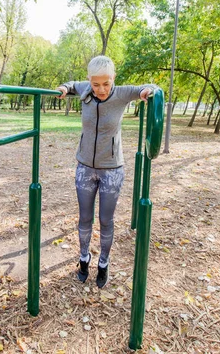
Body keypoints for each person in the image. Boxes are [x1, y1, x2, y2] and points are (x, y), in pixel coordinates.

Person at [56, 55, 154, 288]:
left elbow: (151, 88)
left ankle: (103, 263)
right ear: (89, 80)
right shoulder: (84, 88)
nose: (101, 89)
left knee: (105, 219)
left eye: (106, 83)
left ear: (113, 79)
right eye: (95, 84)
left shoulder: (121, 93)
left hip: (112, 170)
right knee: (85, 218)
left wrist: (147, 91)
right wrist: (63, 87)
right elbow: (71, 85)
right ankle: (83, 259)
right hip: (85, 167)